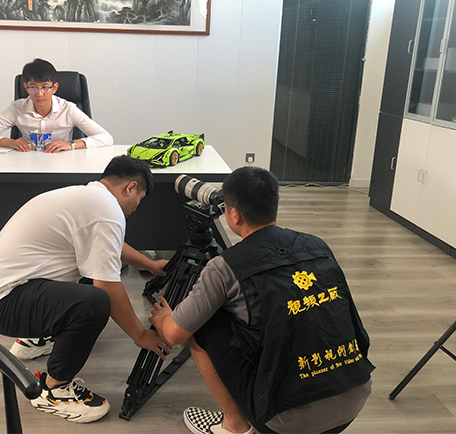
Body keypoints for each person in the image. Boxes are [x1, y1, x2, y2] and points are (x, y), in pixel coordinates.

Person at [149, 167, 374, 434]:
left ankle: (234, 426)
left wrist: (163, 319)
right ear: (276, 205)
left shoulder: (225, 266)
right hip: (355, 395)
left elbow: (173, 334)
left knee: (203, 324)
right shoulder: (317, 245)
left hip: (284, 421)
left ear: (233, 215)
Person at [0, 155, 171, 424]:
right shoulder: (106, 211)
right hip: (4, 303)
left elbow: (110, 246)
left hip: (0, 293)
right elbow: (107, 286)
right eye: (140, 199)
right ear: (131, 187)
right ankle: (54, 389)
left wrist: (150, 265)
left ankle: (37, 338)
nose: (137, 207)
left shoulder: (88, 198)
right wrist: (140, 335)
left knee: (92, 279)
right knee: (95, 301)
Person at [0, 58, 113, 152]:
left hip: (63, 162)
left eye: (45, 87)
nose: (39, 94)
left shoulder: (68, 109)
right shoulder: (17, 108)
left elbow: (106, 138)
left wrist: (70, 144)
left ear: (54, 88)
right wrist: (9, 142)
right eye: (33, 87)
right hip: (27, 163)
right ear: (26, 88)